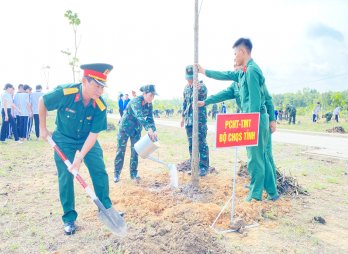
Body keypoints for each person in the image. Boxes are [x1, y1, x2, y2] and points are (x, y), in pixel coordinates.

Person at [197, 37, 278, 201]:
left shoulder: (252, 71)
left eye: (235, 54)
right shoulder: (243, 74)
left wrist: (251, 124)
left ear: (242, 51)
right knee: (261, 157)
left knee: (255, 159)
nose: (234, 59)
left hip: (254, 119)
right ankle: (272, 192)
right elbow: (225, 77)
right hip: (254, 119)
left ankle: (255, 196)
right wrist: (205, 76)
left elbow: (255, 102)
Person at [39, 63, 114, 235]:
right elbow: (42, 100)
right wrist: (43, 128)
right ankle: (69, 218)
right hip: (64, 139)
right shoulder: (66, 93)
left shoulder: (100, 106)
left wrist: (79, 158)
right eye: (97, 86)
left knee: (99, 170)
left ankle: (106, 208)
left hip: (87, 140)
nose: (100, 91)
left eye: (102, 87)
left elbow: (93, 135)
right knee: (66, 176)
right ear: (84, 81)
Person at [114, 84, 158, 183]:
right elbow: (140, 116)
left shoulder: (149, 104)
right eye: (151, 95)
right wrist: (148, 129)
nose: (152, 98)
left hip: (136, 130)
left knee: (135, 151)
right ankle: (116, 174)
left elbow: (150, 118)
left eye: (153, 96)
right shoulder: (135, 101)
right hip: (124, 128)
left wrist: (154, 130)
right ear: (144, 94)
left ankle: (133, 174)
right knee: (121, 150)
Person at [181, 65, 209, 176]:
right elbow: (185, 103)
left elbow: (197, 99)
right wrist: (182, 117)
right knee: (191, 144)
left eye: (191, 77)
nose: (189, 80)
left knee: (201, 143)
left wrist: (195, 88)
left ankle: (203, 168)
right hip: (189, 120)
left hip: (199, 121)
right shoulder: (186, 88)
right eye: (187, 77)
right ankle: (194, 166)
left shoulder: (201, 87)